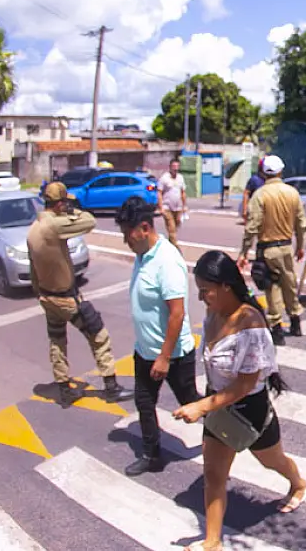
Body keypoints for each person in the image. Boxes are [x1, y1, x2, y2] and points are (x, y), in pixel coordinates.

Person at [174, 251, 306, 551]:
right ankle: (212, 541)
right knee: (214, 474)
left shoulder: (251, 323)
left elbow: (247, 384)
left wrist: (201, 406)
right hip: (218, 406)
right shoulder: (213, 313)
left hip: (249, 410)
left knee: (272, 461)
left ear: (225, 286)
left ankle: (298, 483)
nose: (201, 297)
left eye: (205, 290)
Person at [116, 198, 200, 476]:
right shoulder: (142, 255)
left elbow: (176, 313)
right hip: (145, 352)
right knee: (144, 403)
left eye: (127, 233)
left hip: (173, 356)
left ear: (143, 228)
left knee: (191, 403)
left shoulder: (166, 260)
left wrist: (164, 357)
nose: (124, 240)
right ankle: (152, 456)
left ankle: (230, 429)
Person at [27, 182, 130, 407]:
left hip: (46, 297)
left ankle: (64, 388)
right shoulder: (53, 225)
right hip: (65, 297)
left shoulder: (33, 229)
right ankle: (111, 387)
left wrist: (40, 293)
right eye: (65, 202)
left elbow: (33, 268)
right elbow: (89, 221)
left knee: (57, 341)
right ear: (60, 203)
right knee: (98, 336)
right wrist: (73, 209)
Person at [240, 155, 306, 345]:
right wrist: (300, 246)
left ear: (263, 172)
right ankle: (295, 320)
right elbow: (301, 223)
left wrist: (244, 253)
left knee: (272, 287)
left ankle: (277, 328)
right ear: (281, 171)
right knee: (290, 283)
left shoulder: (259, 195)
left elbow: (252, 227)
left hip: (267, 248)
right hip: (286, 246)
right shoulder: (292, 193)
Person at [157, 158, 187, 249]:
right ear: (170, 167)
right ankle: (176, 249)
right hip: (167, 207)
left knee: (176, 225)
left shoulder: (180, 178)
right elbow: (159, 193)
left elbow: (183, 192)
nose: (176, 168)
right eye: (174, 166)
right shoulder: (164, 178)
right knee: (171, 228)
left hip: (178, 208)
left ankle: (170, 245)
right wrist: (161, 207)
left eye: (177, 166)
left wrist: (184, 205)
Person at [238, 157, 266, 225]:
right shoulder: (254, 179)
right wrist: (245, 210)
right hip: (256, 212)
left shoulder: (271, 180)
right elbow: (246, 193)